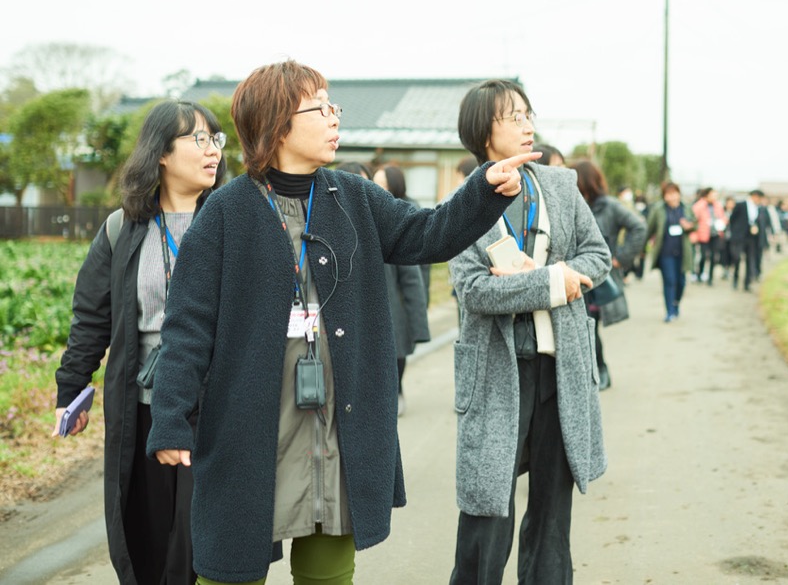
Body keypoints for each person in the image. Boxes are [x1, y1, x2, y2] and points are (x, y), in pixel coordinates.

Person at [145, 60, 536, 584]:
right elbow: (187, 327)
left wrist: (483, 189)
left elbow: (428, 234)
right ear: (278, 123)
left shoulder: (352, 197)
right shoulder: (225, 212)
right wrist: (171, 416)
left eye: (335, 106)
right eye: (321, 107)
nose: (334, 117)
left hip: (336, 417)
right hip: (251, 424)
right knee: (230, 568)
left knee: (328, 567)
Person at [53, 100, 227, 585]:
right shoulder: (121, 229)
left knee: (199, 541)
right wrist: (72, 390)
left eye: (216, 139)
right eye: (198, 139)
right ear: (161, 154)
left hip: (212, 405)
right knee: (145, 534)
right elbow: (91, 317)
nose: (212, 149)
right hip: (142, 407)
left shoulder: (232, 223)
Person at [447, 79, 610, 583]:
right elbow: (473, 290)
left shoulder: (559, 186)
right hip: (498, 371)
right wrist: (553, 282)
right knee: (487, 508)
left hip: (559, 369)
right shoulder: (463, 202)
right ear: (482, 131)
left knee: (552, 508)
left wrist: (541, 280)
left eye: (527, 113)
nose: (526, 124)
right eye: (511, 116)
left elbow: (597, 255)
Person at [575, 159, 646, 391]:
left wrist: (620, 258)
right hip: (574, 275)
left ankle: (601, 370)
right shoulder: (572, 204)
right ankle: (591, 372)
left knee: (590, 327)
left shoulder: (609, 206)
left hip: (597, 281)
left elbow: (639, 227)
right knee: (581, 330)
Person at [370, 163, 430, 417]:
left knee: (398, 350)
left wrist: (419, 304)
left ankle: (397, 390)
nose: (375, 188)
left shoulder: (406, 211)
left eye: (381, 183)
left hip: (397, 295)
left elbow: (417, 272)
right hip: (379, 295)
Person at [374, 162, 432, 307]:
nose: (377, 188)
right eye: (374, 183)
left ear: (394, 184)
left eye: (383, 184)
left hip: (410, 286)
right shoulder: (379, 211)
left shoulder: (410, 209)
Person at [645, 181, 694, 321]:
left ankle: (676, 303)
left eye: (674, 193)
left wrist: (689, 226)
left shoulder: (686, 208)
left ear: (679, 194)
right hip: (665, 251)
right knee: (669, 280)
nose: (672, 197)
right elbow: (650, 228)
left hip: (682, 251)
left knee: (681, 282)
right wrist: (642, 248)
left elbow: (694, 224)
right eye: (668, 194)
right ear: (664, 196)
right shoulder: (658, 209)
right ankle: (669, 311)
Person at [728, 189, 765, 291]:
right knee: (737, 258)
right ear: (754, 196)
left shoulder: (758, 208)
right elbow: (732, 219)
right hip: (740, 237)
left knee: (750, 260)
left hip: (752, 237)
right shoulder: (741, 205)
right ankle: (735, 280)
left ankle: (747, 283)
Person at [690, 187, 725, 286]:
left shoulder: (718, 205)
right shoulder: (699, 206)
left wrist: (722, 224)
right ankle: (699, 273)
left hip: (715, 234)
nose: (715, 197)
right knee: (704, 256)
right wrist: (694, 235)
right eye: (713, 194)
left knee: (714, 257)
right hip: (703, 235)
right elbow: (693, 221)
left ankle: (710, 277)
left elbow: (723, 217)